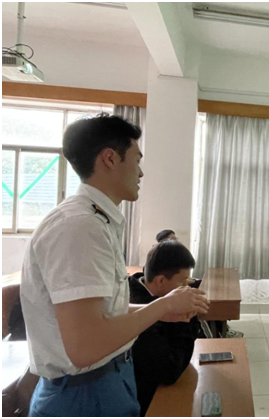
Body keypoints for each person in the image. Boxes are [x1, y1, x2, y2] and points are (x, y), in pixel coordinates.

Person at [20, 114, 210, 417]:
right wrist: (163, 305)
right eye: (137, 160)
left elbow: (104, 314)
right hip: (83, 396)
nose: (141, 172)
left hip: (106, 380)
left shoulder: (95, 221)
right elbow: (85, 347)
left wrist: (161, 310)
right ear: (110, 158)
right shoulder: (80, 227)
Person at [129, 240, 200, 416]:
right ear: (160, 280)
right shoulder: (139, 311)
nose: (186, 288)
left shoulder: (155, 293)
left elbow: (195, 332)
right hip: (146, 400)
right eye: (182, 282)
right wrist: (184, 321)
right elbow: (170, 371)